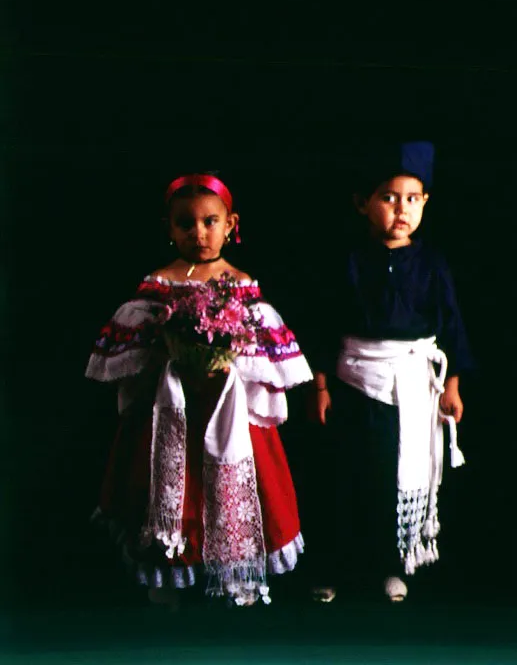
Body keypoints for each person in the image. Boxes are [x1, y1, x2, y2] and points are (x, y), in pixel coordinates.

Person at [86, 172, 313, 609]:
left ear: (231, 224)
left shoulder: (241, 284)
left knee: (236, 484)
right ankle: (167, 571)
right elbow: (138, 354)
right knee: (171, 485)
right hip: (173, 410)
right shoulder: (159, 284)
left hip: (228, 410)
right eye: (186, 224)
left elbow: (257, 350)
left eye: (210, 222)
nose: (199, 233)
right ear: (169, 228)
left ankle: (234, 574)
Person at [304, 141, 473, 604]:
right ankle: (334, 566)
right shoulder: (349, 261)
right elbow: (324, 324)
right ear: (363, 203)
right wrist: (321, 385)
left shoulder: (433, 263)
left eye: (412, 199)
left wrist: (452, 385)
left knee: (394, 477)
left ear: (425, 204)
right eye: (389, 198)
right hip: (354, 379)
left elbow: (451, 324)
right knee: (347, 475)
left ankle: (389, 567)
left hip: (413, 385)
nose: (401, 209)